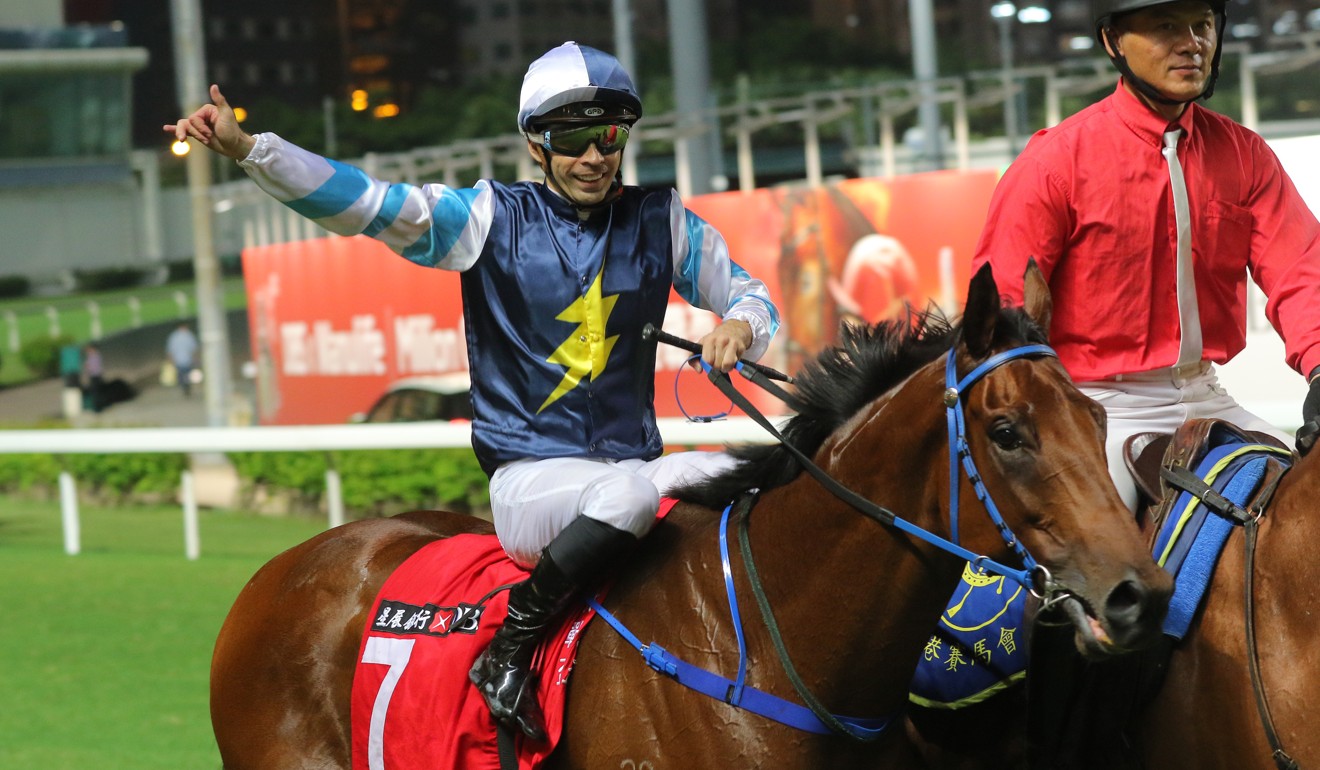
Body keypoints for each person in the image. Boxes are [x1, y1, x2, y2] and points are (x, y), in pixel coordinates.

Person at [166, 42, 779, 741]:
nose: (594, 156)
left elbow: (752, 294)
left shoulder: (661, 219)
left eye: (608, 136)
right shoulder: (487, 219)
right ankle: (511, 648)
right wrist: (252, 148)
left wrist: (740, 325)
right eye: (572, 138)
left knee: (739, 471)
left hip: (632, 466)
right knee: (630, 497)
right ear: (535, 147)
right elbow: (365, 204)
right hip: (532, 482)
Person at [971, 0, 1320, 512]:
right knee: (1089, 576)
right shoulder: (1053, 163)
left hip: (1207, 396)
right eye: (1165, 27)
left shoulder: (1245, 154)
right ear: (1113, 41)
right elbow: (1000, 312)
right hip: (1094, 408)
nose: (1192, 44)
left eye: (1202, 25)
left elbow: (1302, 270)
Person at [165, 323, 199, 398]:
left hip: (179, 360)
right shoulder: (189, 335)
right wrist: (196, 358)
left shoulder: (174, 336)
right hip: (187, 360)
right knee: (187, 374)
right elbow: (194, 349)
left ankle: (184, 387)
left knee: (181, 374)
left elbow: (170, 350)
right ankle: (186, 387)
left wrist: (170, 359)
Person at [82, 343, 104, 412]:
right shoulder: (93, 356)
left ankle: (97, 407)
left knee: (96, 392)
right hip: (95, 376)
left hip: (95, 376)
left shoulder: (94, 356)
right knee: (96, 391)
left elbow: (92, 367)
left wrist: (87, 367)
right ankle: (97, 406)